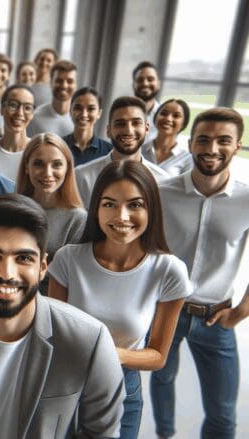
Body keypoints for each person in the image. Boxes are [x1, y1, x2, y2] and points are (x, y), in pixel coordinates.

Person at [0, 194, 125, 438]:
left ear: (43, 267)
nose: (7, 273)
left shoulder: (90, 340)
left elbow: (102, 434)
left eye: (23, 258)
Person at [49, 160, 191, 438]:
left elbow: (158, 356)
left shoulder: (168, 270)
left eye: (135, 205)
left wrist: (112, 355)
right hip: (65, 385)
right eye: (110, 204)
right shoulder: (68, 259)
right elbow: (54, 336)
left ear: (151, 208)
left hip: (123, 388)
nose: (121, 216)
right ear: (96, 209)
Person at [150, 108, 249, 439]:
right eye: (203, 139)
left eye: (223, 140)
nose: (211, 149)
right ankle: (165, 434)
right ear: (190, 143)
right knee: (162, 379)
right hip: (167, 310)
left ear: (237, 146)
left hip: (216, 315)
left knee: (222, 414)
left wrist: (240, 312)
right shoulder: (162, 193)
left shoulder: (247, 199)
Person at [16, 133, 86, 293]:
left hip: (54, 304)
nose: (47, 173)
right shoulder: (12, 210)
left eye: (56, 164)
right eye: (39, 164)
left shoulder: (78, 219)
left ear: (67, 167)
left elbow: (70, 276)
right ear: (27, 167)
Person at [75, 96, 169, 207]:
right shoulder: (82, 176)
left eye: (136, 123)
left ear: (147, 128)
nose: (128, 131)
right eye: (120, 124)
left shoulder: (162, 181)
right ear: (108, 131)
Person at [0, 85, 36, 181]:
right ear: (2, 109)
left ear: (32, 114)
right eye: (13, 105)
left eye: (27, 108)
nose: (20, 113)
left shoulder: (37, 150)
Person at [62, 86, 114, 166]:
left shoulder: (109, 152)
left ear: (99, 113)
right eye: (78, 108)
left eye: (91, 109)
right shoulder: (58, 145)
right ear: (70, 111)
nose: (84, 114)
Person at [140, 98, 192, 176]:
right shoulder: (140, 150)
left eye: (176, 116)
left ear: (184, 124)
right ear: (155, 117)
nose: (168, 119)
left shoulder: (187, 158)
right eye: (164, 113)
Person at [28, 59, 76, 137]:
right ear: (50, 83)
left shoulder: (81, 118)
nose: (64, 86)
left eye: (70, 81)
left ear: (75, 85)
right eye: (59, 81)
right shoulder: (35, 117)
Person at [132, 61, 161, 141]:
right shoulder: (121, 113)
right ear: (133, 85)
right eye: (140, 80)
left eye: (150, 79)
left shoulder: (165, 117)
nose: (145, 83)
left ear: (158, 84)